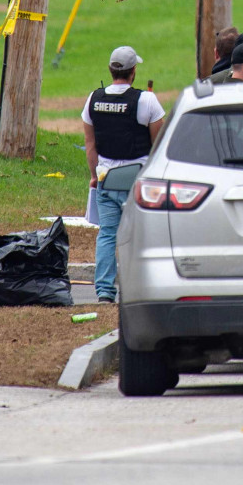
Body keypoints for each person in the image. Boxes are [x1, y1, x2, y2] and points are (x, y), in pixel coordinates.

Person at [80, 46, 168, 304]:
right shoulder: (146, 101)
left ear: (111, 69)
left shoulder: (92, 99)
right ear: (133, 72)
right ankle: (139, 289)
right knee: (140, 236)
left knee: (107, 234)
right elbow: (159, 144)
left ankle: (105, 292)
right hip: (138, 182)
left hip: (106, 178)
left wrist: (95, 177)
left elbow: (90, 146)